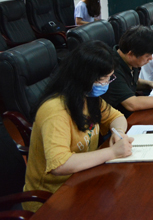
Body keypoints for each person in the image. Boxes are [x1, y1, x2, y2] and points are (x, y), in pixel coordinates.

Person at [23, 41, 134, 212]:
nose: (106, 83)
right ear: (84, 78)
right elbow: (59, 165)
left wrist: (118, 132)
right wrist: (112, 152)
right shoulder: (55, 111)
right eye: (103, 79)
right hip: (52, 197)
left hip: (84, 178)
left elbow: (117, 117)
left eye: (109, 77)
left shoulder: (88, 97)